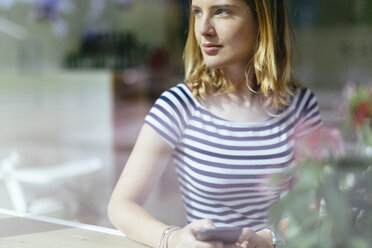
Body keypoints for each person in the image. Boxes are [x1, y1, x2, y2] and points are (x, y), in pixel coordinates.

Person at [108, 0, 323, 247]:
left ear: (262, 21)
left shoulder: (300, 106)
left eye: (222, 11)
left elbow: (311, 204)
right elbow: (121, 205)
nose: (203, 29)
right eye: (197, 12)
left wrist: (267, 239)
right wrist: (175, 239)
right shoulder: (179, 105)